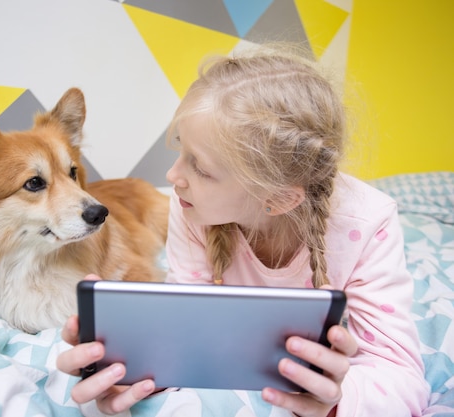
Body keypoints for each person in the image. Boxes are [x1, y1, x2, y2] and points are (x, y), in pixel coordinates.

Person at [56, 47, 430, 416]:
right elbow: (189, 333)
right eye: (180, 150)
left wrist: (332, 403)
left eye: (199, 167)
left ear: (278, 198)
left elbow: (401, 376)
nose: (171, 178)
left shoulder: (368, 225)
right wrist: (134, 370)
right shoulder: (190, 208)